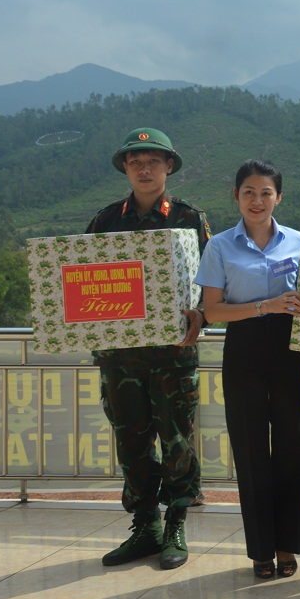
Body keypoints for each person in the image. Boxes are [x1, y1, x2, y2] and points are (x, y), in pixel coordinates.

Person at [86, 127, 211, 570]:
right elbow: (83, 283)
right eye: (136, 160)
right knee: (131, 441)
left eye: (153, 160)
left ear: (169, 167)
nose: (144, 168)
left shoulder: (189, 218)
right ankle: (145, 526)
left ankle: (176, 522)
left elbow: (210, 284)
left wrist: (202, 315)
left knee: (176, 441)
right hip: (121, 360)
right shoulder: (104, 222)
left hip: (172, 356)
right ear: (125, 166)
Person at [195, 160, 300, 580]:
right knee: (250, 448)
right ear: (236, 197)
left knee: (292, 446)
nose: (257, 200)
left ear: (278, 197)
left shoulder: (297, 240)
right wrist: (265, 305)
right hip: (243, 344)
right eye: (249, 192)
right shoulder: (220, 247)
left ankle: (288, 544)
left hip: (290, 346)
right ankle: (260, 549)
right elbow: (211, 310)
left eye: (265, 192)